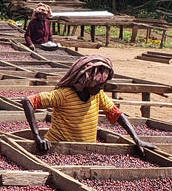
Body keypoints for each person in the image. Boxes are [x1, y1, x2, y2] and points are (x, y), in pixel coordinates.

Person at [21, 55, 152, 153]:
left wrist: (136, 139)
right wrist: (37, 136)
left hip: (87, 151)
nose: (102, 88)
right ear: (87, 82)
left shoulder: (98, 95)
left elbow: (116, 114)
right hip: (57, 148)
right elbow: (28, 101)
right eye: (99, 85)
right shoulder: (64, 94)